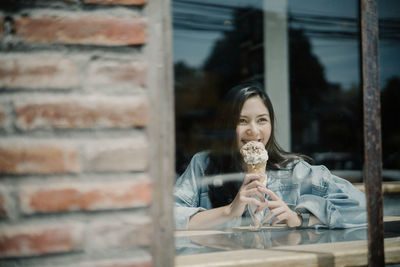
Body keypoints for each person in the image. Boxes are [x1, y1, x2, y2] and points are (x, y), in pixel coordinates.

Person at [174, 82, 367, 230]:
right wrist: (228, 211)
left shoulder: (296, 171)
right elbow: (167, 218)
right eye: (242, 121)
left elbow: (364, 208)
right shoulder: (203, 165)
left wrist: (301, 218)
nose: (253, 130)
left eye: (262, 120)